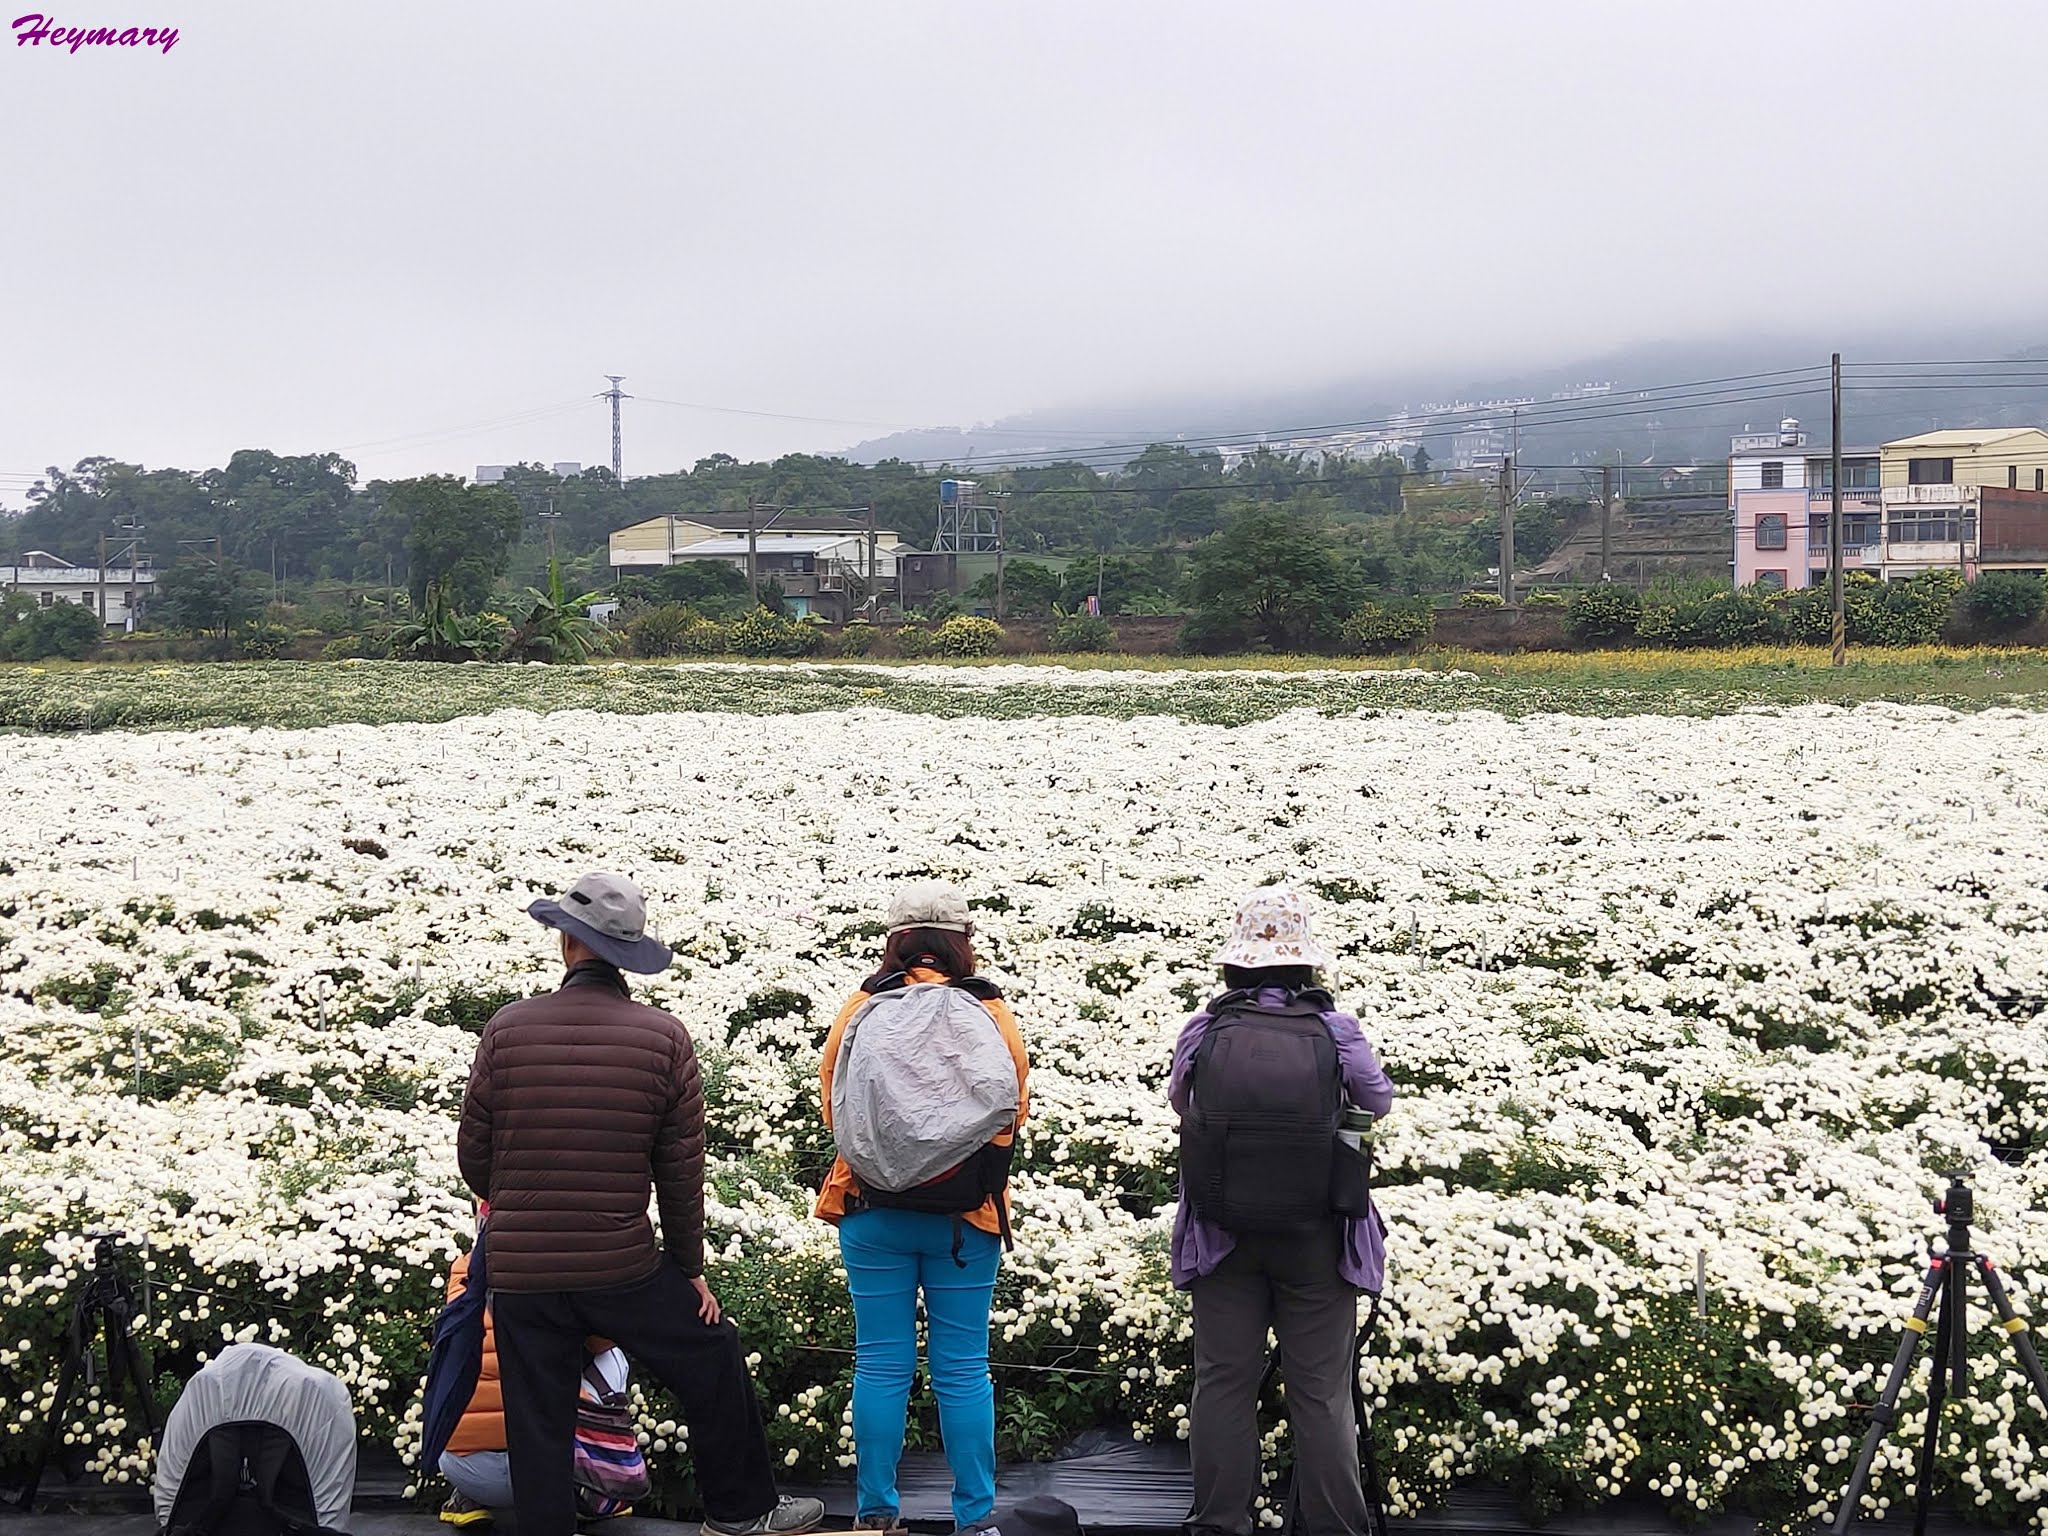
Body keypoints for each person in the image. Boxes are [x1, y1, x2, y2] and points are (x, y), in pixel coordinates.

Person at [459, 871, 824, 1536]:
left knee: (538, 1417)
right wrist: (688, 1270)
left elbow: (474, 1161)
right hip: (618, 1266)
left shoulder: (506, 1029)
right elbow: (678, 1174)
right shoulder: (662, 1037)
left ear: (568, 942)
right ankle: (740, 1511)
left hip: (522, 1272)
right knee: (711, 1353)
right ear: (628, 955)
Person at [1171, 887, 1396, 1536]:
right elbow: (1376, 1104)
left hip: (1221, 1235)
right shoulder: (1335, 1029)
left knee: (1222, 1384)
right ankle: (1333, 1528)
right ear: (1305, 963)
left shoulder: (1206, 1028)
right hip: (1316, 1237)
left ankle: (1218, 1524)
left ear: (1236, 962)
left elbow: (1182, 1104)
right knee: (1321, 1394)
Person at [815, 881, 1030, 1533]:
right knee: (963, 1369)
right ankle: (975, 1519)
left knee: (880, 1361)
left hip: (873, 1209)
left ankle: (876, 1514)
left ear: (896, 940)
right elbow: (1011, 1103)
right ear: (963, 943)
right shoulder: (987, 1008)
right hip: (965, 1219)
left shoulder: (864, 1004)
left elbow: (834, 1101)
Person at [435, 1217, 638, 1527]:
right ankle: (593, 1487)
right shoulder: (567, 1262)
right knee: (613, 1355)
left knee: (451, 1362)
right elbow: (605, 1340)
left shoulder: (464, 1268)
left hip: (468, 1470)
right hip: (552, 1470)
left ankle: (468, 1497)